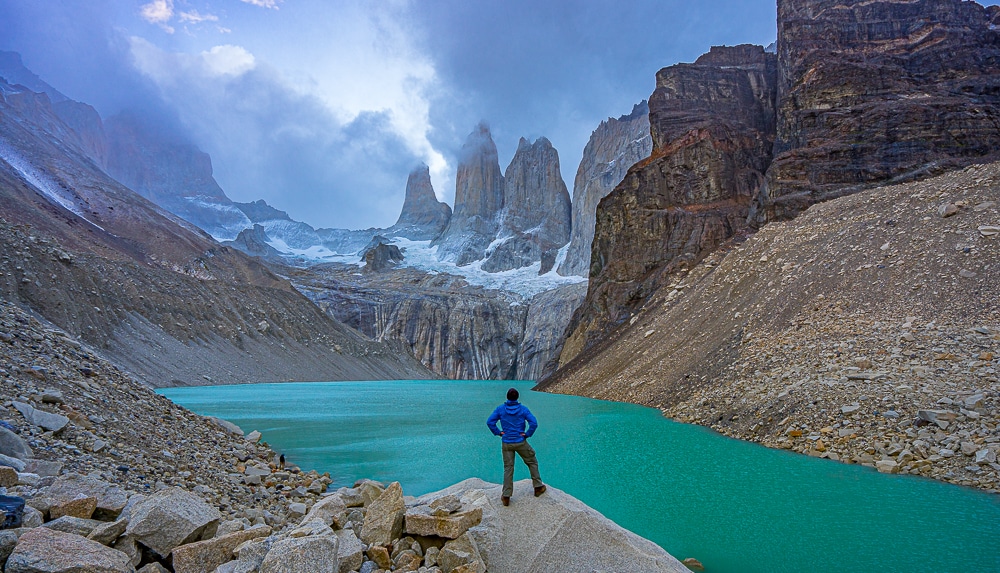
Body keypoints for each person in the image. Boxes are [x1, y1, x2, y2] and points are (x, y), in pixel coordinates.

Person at [486, 387, 546, 506]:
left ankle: (506, 496)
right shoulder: (523, 409)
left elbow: (490, 422)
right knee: (532, 462)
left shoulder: (500, 409)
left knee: (508, 468)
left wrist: (499, 432)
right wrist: (527, 434)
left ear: (507, 397)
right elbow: (534, 423)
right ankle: (538, 487)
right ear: (517, 397)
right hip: (520, 441)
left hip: (507, 442)